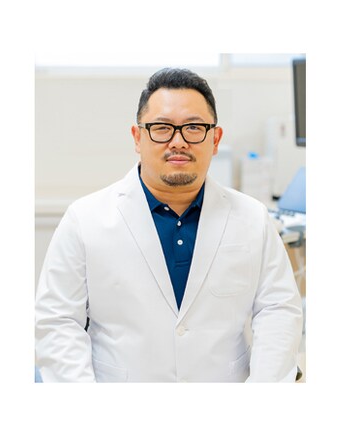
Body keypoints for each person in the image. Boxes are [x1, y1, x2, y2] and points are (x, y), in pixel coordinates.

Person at [35, 67, 303, 382]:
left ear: (215, 139)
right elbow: (58, 322)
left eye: (194, 128)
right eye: (162, 128)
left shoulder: (253, 218)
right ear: (138, 138)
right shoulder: (84, 220)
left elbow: (278, 311)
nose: (178, 141)